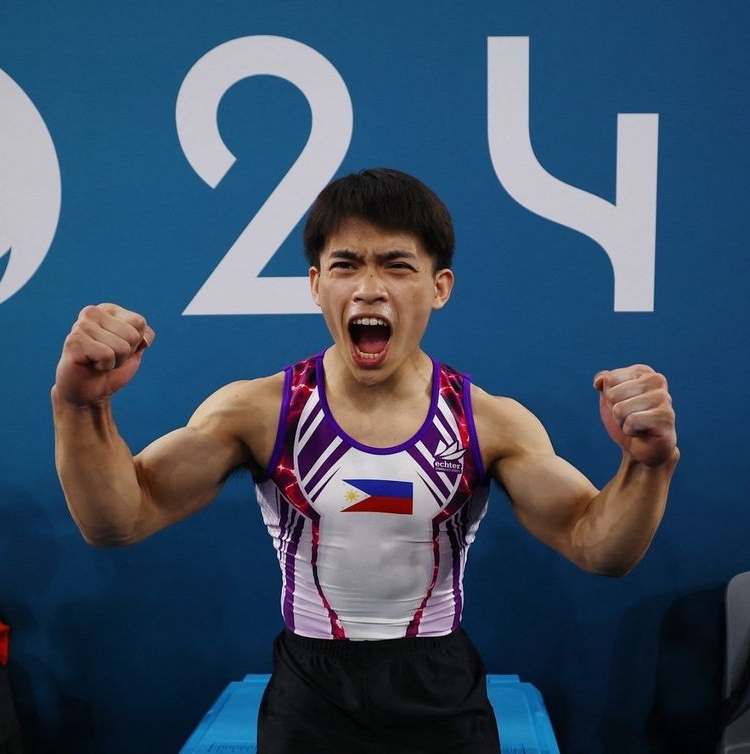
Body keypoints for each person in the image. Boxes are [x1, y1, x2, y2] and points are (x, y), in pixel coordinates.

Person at [52, 168, 679, 753]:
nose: (370, 288)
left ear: (440, 287)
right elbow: (118, 520)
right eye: (346, 265)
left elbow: (599, 549)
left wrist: (646, 467)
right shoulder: (259, 412)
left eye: (397, 266)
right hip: (309, 695)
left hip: (441, 691)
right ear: (317, 283)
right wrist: (81, 408)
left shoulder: (489, 423)